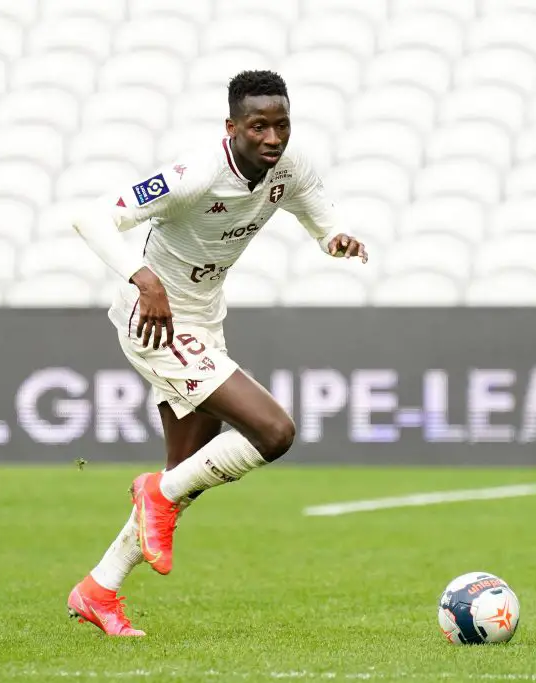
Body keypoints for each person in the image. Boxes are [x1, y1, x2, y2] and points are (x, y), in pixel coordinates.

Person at [66, 70, 368, 636]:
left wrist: (336, 238)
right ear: (232, 128)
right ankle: (155, 491)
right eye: (258, 126)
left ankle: (98, 590)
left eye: (281, 125)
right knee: (274, 433)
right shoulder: (195, 174)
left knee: (182, 480)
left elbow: (318, 213)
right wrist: (144, 280)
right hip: (155, 319)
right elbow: (91, 218)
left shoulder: (291, 164)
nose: (272, 138)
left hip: (204, 318)